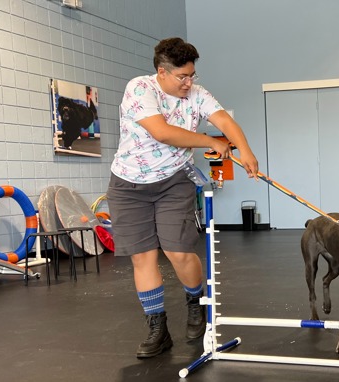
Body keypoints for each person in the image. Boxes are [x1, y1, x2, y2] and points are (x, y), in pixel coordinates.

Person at [106, 37, 259, 358]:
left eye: (192, 75)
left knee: (177, 251)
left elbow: (225, 121)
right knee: (142, 257)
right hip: (128, 185)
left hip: (173, 181)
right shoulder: (140, 89)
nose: (189, 83)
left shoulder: (197, 94)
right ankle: (157, 328)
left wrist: (244, 150)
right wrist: (210, 141)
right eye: (182, 77)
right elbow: (162, 132)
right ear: (162, 72)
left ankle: (195, 300)